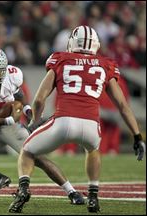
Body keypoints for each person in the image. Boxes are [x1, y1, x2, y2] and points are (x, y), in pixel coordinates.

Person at [8, 26, 146, 213]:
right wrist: (137, 136)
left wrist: (34, 122)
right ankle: (93, 196)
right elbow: (123, 106)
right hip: (91, 125)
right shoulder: (106, 64)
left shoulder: (61, 59)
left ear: (72, 42)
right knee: (93, 149)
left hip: (63, 121)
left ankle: (23, 188)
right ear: (96, 44)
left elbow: (40, 99)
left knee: (27, 150)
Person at [0, 47, 85, 204]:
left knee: (38, 159)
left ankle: (71, 191)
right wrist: (8, 119)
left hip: (10, 129)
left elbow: (19, 96)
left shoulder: (13, 75)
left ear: (5, 69)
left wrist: (28, 111)